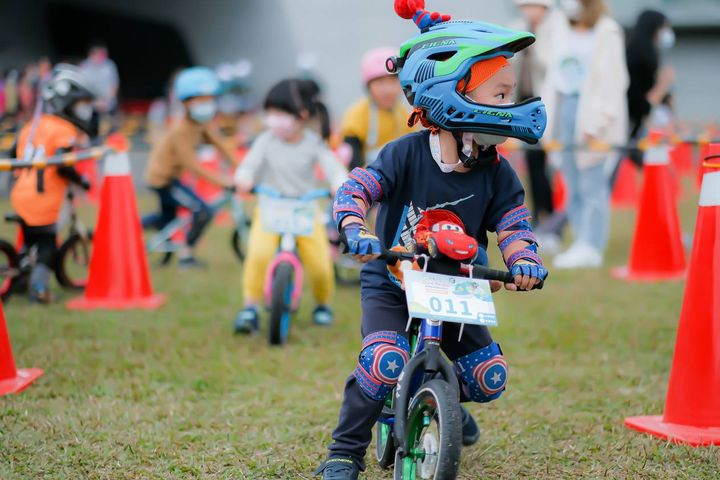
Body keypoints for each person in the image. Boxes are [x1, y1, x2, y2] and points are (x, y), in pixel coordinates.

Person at [314, 2, 549, 478]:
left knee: (488, 377)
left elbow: (514, 225)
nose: (509, 107)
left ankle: (434, 396)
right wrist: (355, 229)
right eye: (498, 96)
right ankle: (344, 452)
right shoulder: (403, 154)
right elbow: (357, 189)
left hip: (459, 286)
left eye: (509, 97)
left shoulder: (498, 171)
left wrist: (524, 260)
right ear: (449, 93)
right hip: (395, 281)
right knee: (383, 361)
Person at [233, 78, 347, 332]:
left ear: (302, 115)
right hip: (270, 207)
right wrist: (244, 178)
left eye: (281, 113)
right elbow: (249, 165)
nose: (274, 119)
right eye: (271, 112)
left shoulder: (313, 143)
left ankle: (322, 304)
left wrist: (339, 183)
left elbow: (334, 168)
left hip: (305, 210)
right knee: (258, 254)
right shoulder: (266, 141)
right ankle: (250, 307)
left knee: (319, 263)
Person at [541, 0, 628, 269]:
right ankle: (581, 241)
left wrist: (598, 122)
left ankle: (593, 245)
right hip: (564, 109)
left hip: (592, 115)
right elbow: (550, 66)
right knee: (572, 184)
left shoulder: (607, 30)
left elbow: (614, 80)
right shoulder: (559, 28)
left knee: (593, 185)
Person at [9, 64, 96, 302]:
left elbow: (12, 153)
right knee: (48, 244)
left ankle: (19, 278)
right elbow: (64, 164)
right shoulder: (63, 128)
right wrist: (83, 181)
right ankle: (39, 288)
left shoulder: (31, 126)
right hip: (44, 197)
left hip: (21, 194)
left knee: (29, 240)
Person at [142, 67, 237, 268]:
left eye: (209, 99)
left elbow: (219, 143)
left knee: (167, 219)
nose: (206, 105)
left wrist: (242, 166)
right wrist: (225, 181)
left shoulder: (200, 123)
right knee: (201, 210)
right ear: (185, 102)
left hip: (171, 177)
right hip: (163, 180)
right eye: (200, 100)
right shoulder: (181, 129)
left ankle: (131, 231)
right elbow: (192, 164)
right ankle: (186, 255)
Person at [513, 0, 566, 254]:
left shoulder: (555, 30)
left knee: (548, 165)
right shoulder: (516, 27)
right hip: (522, 105)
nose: (527, 10)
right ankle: (538, 214)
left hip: (545, 105)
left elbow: (551, 67)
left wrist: (532, 44)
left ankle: (552, 218)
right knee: (532, 164)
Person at [340, 47, 414, 170]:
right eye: (380, 83)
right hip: (368, 180)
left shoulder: (405, 114)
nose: (388, 90)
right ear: (368, 86)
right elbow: (353, 162)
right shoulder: (356, 115)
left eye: (393, 81)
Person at [625, 10, 675, 168]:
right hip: (632, 128)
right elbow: (642, 104)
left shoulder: (643, 51)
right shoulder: (640, 56)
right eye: (664, 28)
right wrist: (663, 85)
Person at [80, 43, 119, 120]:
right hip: (91, 106)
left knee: (110, 125)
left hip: (108, 105)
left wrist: (107, 101)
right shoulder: (84, 66)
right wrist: (95, 102)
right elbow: (82, 88)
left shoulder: (109, 65)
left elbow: (115, 85)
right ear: (92, 54)